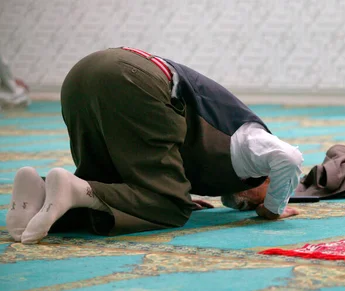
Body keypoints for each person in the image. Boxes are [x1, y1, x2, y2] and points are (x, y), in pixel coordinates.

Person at [7, 47, 303, 244]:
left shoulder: (226, 176)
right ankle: (76, 189)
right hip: (134, 80)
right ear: (265, 176)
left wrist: (178, 190)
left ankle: (37, 191)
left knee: (110, 183)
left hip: (81, 77)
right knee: (171, 208)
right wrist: (275, 208)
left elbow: (167, 165)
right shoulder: (254, 142)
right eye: (258, 199)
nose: (253, 204)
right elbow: (288, 158)